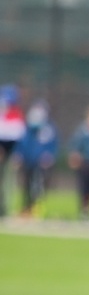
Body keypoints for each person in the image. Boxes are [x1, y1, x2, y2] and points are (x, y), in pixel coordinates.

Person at [17, 101, 59, 217]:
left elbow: (52, 145)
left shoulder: (49, 128)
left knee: (38, 186)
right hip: (28, 160)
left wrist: (48, 156)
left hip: (40, 163)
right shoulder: (28, 127)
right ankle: (25, 207)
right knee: (26, 185)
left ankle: (35, 207)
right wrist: (19, 155)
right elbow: (22, 143)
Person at [0, 86, 25, 217]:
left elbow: (19, 138)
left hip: (11, 153)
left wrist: (17, 154)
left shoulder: (16, 115)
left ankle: (6, 208)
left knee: (10, 182)